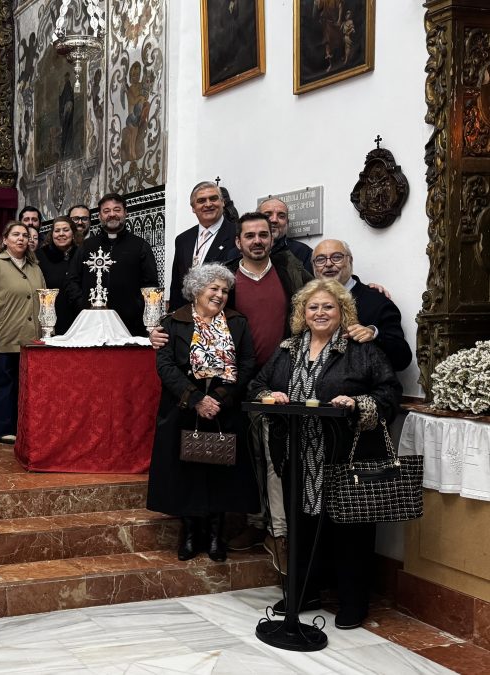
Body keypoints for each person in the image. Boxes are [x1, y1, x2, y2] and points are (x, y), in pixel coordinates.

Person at [249, 279, 401, 629]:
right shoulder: (287, 349)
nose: (320, 312)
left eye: (328, 307)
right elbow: (257, 385)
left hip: (346, 459)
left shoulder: (362, 350)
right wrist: (270, 396)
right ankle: (304, 592)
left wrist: (357, 403)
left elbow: (389, 394)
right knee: (302, 528)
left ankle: (353, 603)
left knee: (350, 532)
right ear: (302, 313)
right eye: (313, 307)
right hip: (296, 457)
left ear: (343, 312)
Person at [146, 263, 258, 563]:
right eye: (214, 289)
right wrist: (196, 398)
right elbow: (165, 365)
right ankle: (190, 534)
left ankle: (214, 536)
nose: (220, 295)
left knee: (219, 473)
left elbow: (247, 363)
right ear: (197, 290)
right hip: (183, 408)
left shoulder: (237, 323)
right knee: (187, 474)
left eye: (224, 290)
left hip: (225, 408)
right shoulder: (173, 322)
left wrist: (218, 398)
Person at [0, 222, 45, 443]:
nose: (21, 239)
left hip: (32, 337)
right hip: (4, 335)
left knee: (26, 385)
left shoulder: (35, 267)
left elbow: (45, 299)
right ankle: (2, 428)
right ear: (5, 240)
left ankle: (23, 427)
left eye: (25, 235)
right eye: (15, 235)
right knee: (4, 384)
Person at [64, 192, 159, 336]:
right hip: (90, 324)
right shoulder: (87, 246)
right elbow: (72, 280)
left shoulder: (140, 246)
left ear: (125, 213)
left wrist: (134, 307)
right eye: (106, 211)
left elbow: (150, 284)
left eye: (117, 209)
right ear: (100, 216)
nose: (112, 214)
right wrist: (82, 306)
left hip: (130, 325)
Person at [312, 239, 412, 373]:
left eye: (337, 257)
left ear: (350, 261)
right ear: (313, 267)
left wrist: (375, 334)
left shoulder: (377, 301)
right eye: (320, 259)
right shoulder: (305, 303)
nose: (329, 264)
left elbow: (403, 359)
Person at [169, 181, 238, 310]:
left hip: (224, 318)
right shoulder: (183, 239)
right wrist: (173, 318)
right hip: (188, 319)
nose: (208, 204)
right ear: (193, 208)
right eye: (201, 200)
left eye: (213, 198)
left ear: (222, 202)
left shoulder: (237, 234)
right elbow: (177, 285)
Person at [36, 215, 79, 335]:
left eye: (66, 230)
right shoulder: (40, 256)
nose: (61, 234)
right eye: (57, 230)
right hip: (49, 320)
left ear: (73, 233)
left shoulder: (81, 254)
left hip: (77, 318)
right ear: (52, 234)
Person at [259, 197, 313, 273]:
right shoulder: (241, 251)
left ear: (287, 222)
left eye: (281, 216)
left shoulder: (303, 252)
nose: (274, 220)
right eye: (267, 215)